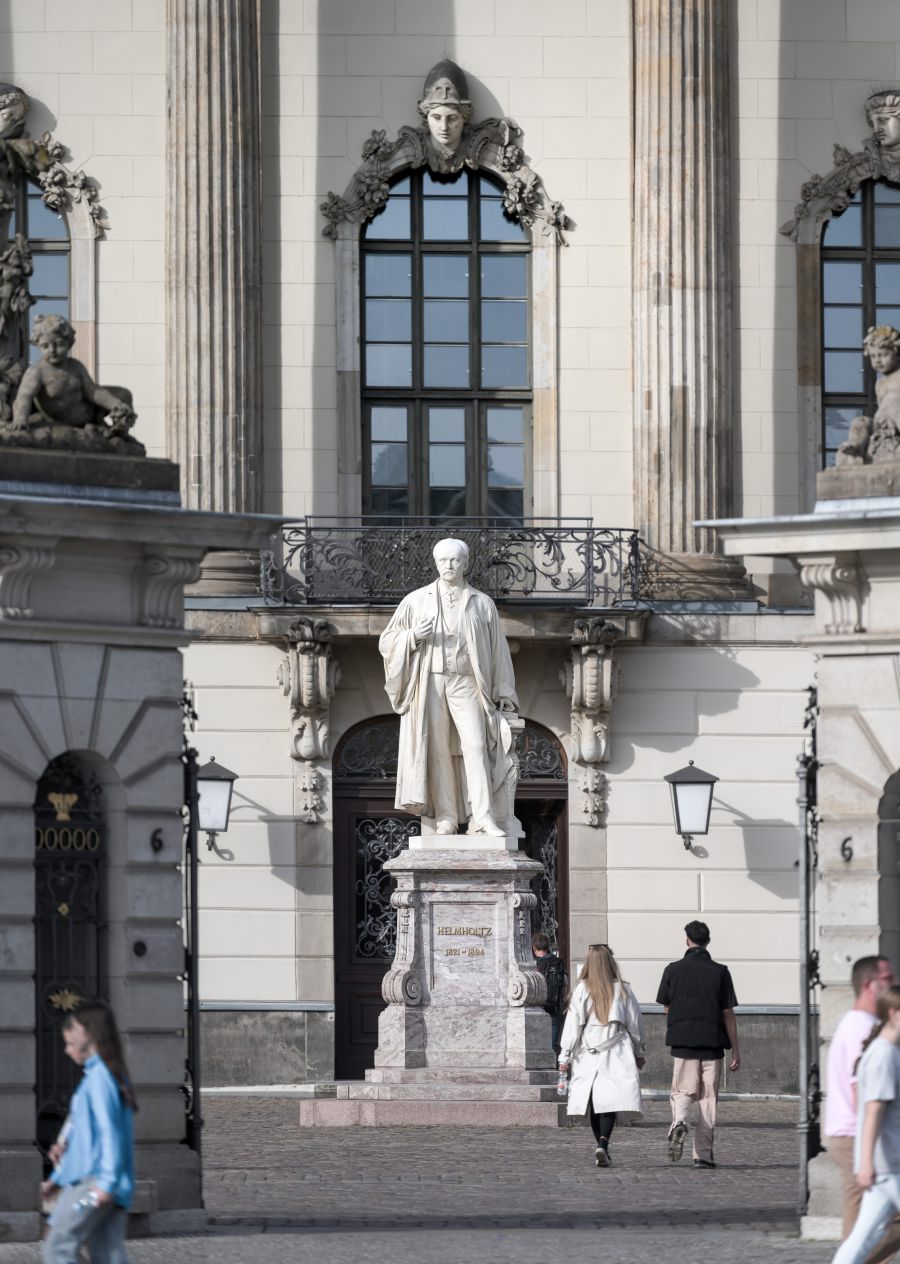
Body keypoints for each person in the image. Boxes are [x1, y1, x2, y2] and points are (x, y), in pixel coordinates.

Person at [378, 538, 518, 837]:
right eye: (443, 560)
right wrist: (413, 635)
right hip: (431, 679)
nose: (449, 566)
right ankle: (447, 817)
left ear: (466, 564)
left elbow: (498, 651)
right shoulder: (416, 600)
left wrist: (505, 691)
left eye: (455, 560)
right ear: (435, 563)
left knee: (476, 746)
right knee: (437, 749)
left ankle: (482, 817)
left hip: (467, 681)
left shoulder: (481, 602)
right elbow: (387, 641)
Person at [41, 999, 136, 1264]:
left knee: (57, 1247)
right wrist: (58, 1177)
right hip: (105, 1185)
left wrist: (104, 1184)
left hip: (91, 1187)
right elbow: (84, 1142)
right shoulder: (105, 1077)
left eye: (72, 1038)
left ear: (89, 1032)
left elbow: (109, 1134)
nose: (67, 1047)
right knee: (108, 1256)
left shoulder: (99, 1080)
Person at [825, 956, 900, 1261]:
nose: (893, 982)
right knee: (860, 1233)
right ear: (870, 985)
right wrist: (865, 1159)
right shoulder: (865, 1031)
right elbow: (866, 1101)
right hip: (857, 1138)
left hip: (862, 1139)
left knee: (862, 1233)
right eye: (889, 977)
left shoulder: (863, 1025)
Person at [656, 919, 740, 1169]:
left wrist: (676, 1025)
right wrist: (736, 1048)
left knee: (682, 1090)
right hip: (713, 1044)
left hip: (683, 1042)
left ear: (687, 940)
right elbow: (728, 1012)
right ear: (708, 941)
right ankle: (702, 1154)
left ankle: (680, 1121)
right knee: (708, 1098)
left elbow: (666, 1007)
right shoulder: (721, 971)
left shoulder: (672, 969)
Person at [558, 943, 645, 1168]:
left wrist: (565, 1056)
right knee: (610, 1100)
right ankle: (603, 1144)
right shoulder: (623, 989)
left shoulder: (581, 990)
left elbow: (572, 1026)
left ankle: (601, 1144)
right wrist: (639, 1051)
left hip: (588, 1051)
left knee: (595, 1102)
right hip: (616, 1049)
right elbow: (635, 1024)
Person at [11, 314, 136, 433]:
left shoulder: (75, 366)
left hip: (88, 412)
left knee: (123, 394)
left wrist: (115, 404)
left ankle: (120, 429)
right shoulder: (36, 371)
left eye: (59, 344)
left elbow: (92, 391)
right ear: (38, 346)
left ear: (69, 343)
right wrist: (20, 418)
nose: (52, 350)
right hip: (63, 420)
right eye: (45, 346)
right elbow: (24, 397)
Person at [532, 930, 568, 1054]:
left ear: (534, 947)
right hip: (555, 1008)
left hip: (539, 1008)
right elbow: (564, 984)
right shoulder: (558, 962)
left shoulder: (536, 965)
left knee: (537, 1049)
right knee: (551, 1049)